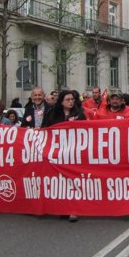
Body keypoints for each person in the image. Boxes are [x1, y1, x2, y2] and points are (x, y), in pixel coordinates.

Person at [42, 90, 87, 222]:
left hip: (73, 153)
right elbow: (44, 129)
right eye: (68, 99)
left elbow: (86, 130)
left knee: (73, 181)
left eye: (72, 99)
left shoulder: (79, 114)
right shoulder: (53, 114)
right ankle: (63, 208)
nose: (71, 101)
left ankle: (74, 210)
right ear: (61, 101)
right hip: (57, 153)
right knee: (61, 182)